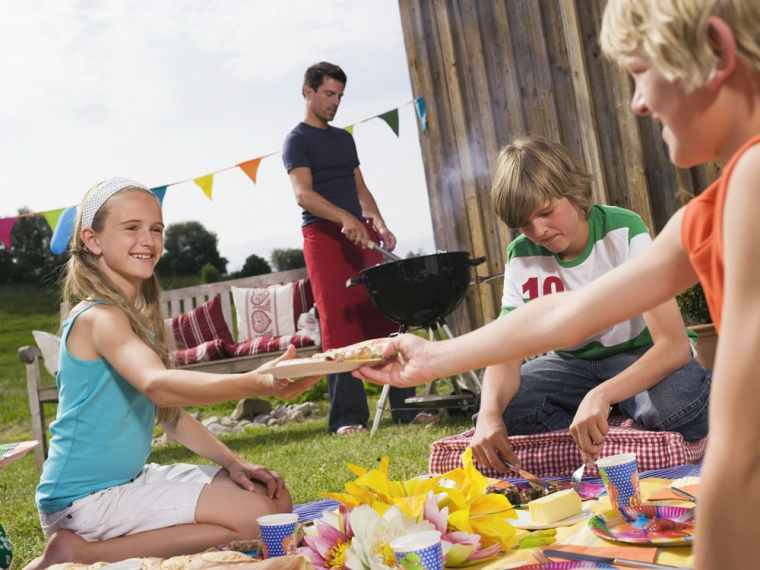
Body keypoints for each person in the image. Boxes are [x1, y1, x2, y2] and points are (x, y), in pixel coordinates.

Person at [357, 0, 760, 565]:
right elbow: (565, 315)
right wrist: (432, 358)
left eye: (641, 72)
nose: (638, 102)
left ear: (716, 53)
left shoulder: (751, 184)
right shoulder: (719, 201)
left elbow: (741, 454)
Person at [27, 178, 319, 570]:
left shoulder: (135, 319)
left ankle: (108, 547)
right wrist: (257, 380)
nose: (148, 239)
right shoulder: (100, 317)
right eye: (131, 228)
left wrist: (234, 463)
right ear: (92, 240)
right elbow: (158, 385)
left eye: (156, 229)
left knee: (275, 505)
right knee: (257, 519)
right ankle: (82, 552)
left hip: (128, 481)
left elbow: (171, 415)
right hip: (84, 500)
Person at [470, 136, 710, 471]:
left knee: (676, 406)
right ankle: (617, 421)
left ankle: (610, 410)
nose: (537, 230)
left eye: (546, 212)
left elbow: (674, 346)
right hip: (571, 366)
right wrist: (488, 415)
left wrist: (601, 395)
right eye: (524, 224)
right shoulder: (522, 254)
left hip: (642, 355)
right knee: (505, 409)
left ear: (572, 192)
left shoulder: (623, 229)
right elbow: (506, 349)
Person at [282, 61, 418, 435]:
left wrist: (378, 221)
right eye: (328, 94)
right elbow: (303, 194)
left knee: (385, 317)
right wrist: (345, 219)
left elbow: (361, 188)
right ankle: (347, 418)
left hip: (359, 234)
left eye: (340, 96)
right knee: (339, 328)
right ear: (307, 91)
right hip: (324, 240)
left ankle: (407, 408)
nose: (334, 102)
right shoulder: (297, 140)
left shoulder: (343, 139)